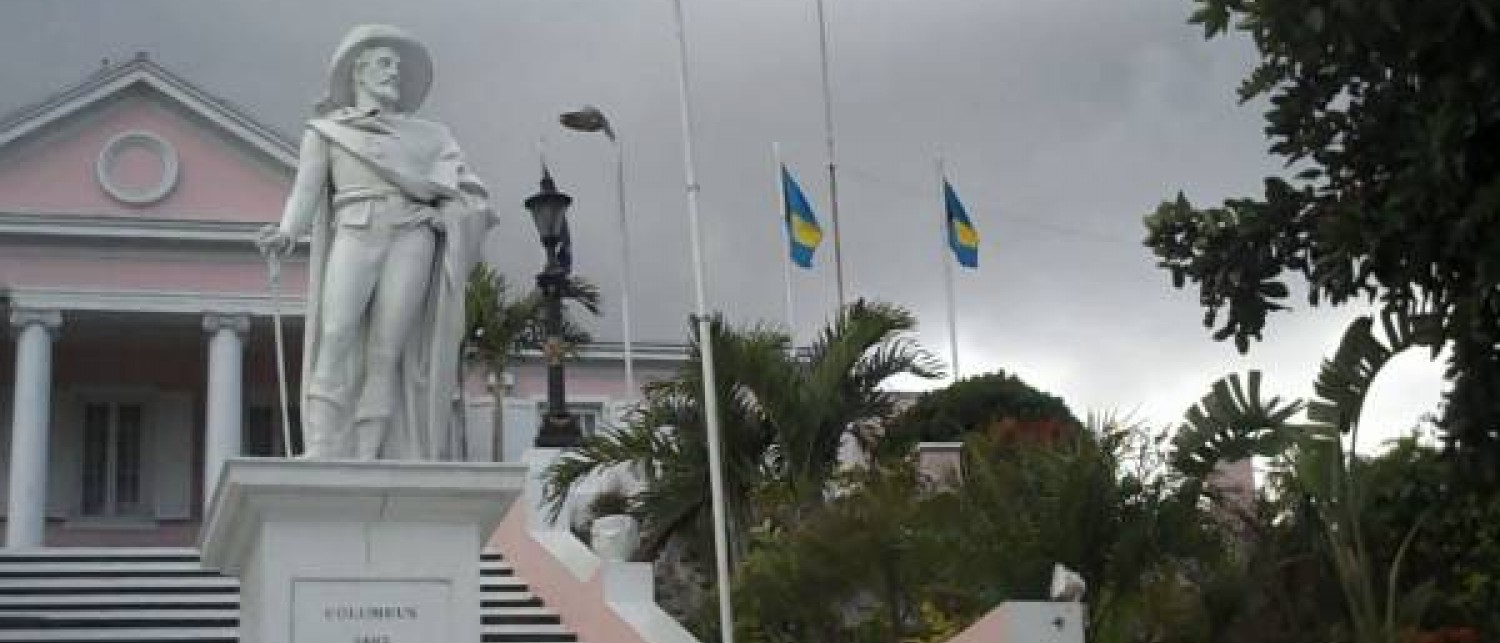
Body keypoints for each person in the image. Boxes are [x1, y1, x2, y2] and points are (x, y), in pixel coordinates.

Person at [257, 24, 494, 460]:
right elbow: (306, 191)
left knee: (387, 349)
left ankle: (372, 453)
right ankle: (324, 446)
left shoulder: (433, 137)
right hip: (356, 227)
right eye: (384, 64)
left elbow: (470, 195)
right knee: (337, 332)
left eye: (398, 67)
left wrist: (447, 216)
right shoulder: (327, 132)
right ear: (358, 73)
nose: (394, 74)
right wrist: (289, 231)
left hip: (411, 236)